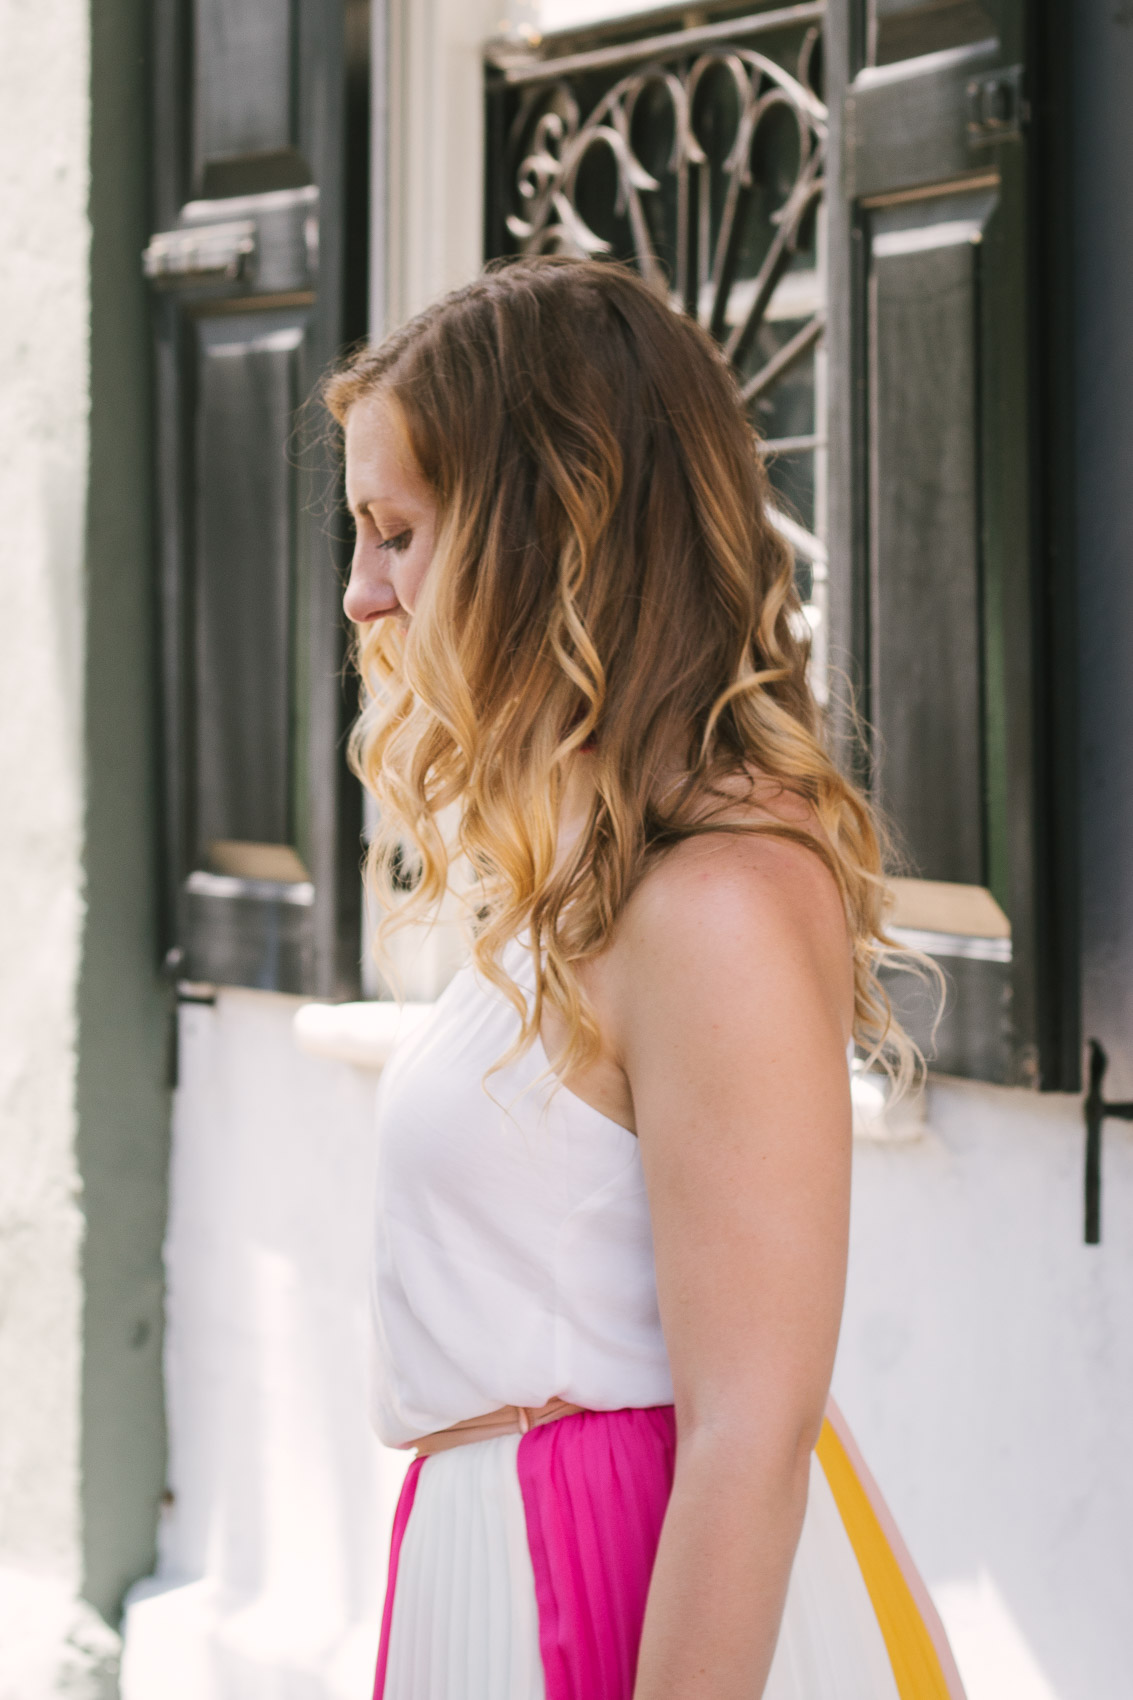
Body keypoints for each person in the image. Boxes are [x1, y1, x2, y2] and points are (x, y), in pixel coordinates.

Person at [324, 257, 965, 1700]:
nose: (362, 593)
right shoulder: (585, 874)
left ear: (543, 535)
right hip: (503, 1554)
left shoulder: (715, 894)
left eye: (397, 532)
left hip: (619, 1573)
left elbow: (751, 1427)